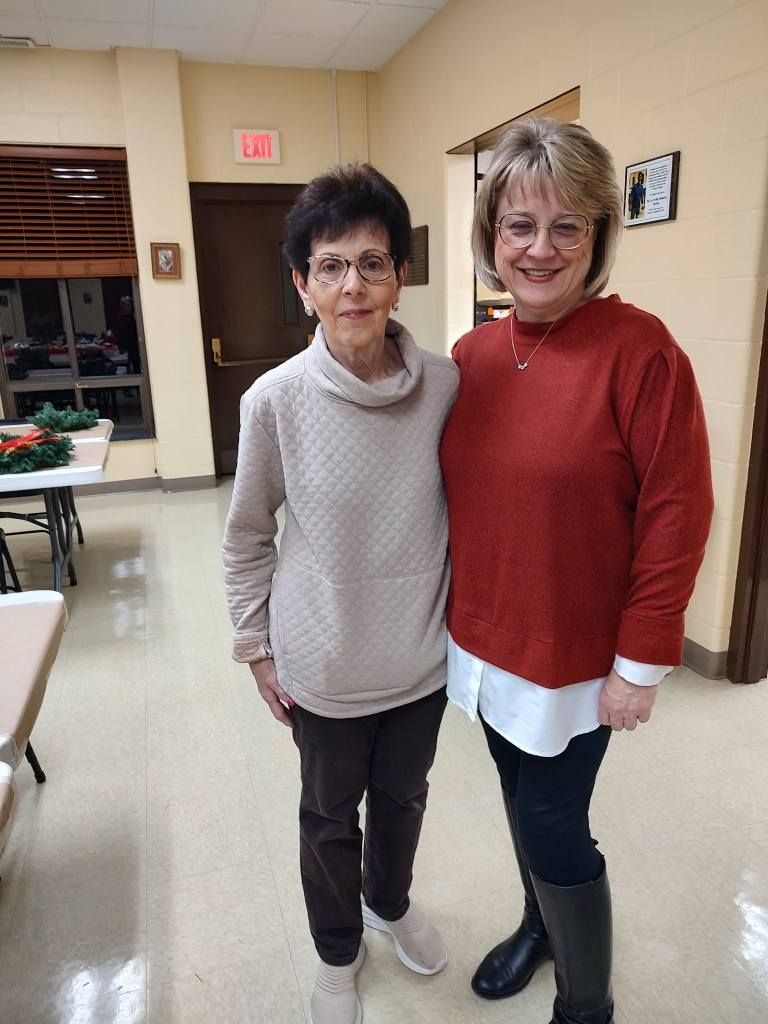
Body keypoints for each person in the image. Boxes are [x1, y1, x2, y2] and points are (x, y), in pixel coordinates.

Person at [439, 118, 713, 1024]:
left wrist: (640, 665)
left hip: (580, 655)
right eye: (520, 225)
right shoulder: (474, 355)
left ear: (598, 236)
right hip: (487, 641)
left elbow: (677, 514)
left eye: (567, 226)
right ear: (492, 236)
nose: (540, 248)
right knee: (518, 799)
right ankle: (540, 927)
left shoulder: (641, 351)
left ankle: (586, 1007)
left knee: (555, 823)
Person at [222, 163, 458, 1024]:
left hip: (421, 658)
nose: (352, 285)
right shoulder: (274, 401)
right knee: (327, 817)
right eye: (330, 266)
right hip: (322, 666)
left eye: (371, 262)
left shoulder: (446, 386)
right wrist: (255, 649)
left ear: (400, 275)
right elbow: (248, 535)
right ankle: (335, 950)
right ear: (303, 284)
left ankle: (387, 902)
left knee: (404, 799)